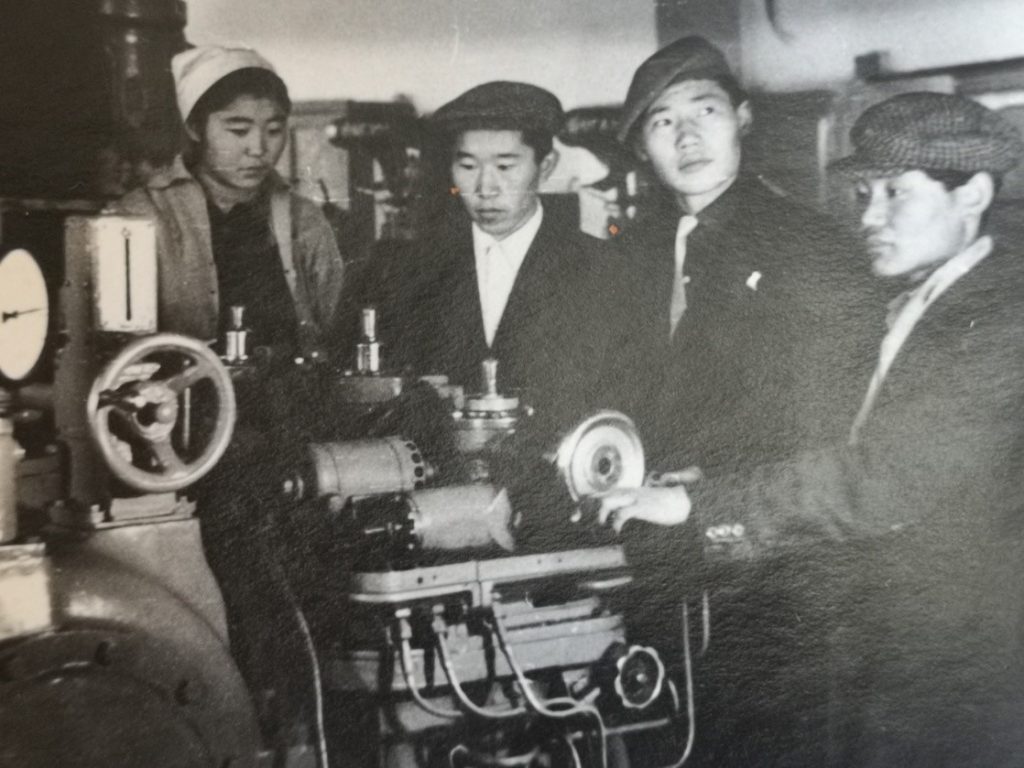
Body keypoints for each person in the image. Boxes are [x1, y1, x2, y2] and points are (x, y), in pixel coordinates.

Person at [598, 91, 1024, 767]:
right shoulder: (915, 300)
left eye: (895, 193)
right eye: (864, 194)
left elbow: (884, 479)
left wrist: (700, 505)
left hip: (964, 665)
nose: (869, 216)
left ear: (971, 193)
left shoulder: (1001, 318)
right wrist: (717, 479)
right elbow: (846, 439)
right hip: (899, 647)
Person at [592, 36, 878, 766]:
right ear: (642, 148)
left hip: (774, 577)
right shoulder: (629, 253)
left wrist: (712, 485)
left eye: (705, 111)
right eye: (662, 122)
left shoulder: (811, 245)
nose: (686, 136)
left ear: (743, 119)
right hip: (656, 567)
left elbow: (830, 418)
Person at [383, 81, 609, 418]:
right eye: (468, 167)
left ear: (546, 167)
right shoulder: (412, 271)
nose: (485, 188)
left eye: (505, 167)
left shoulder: (602, 269)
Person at [118, 45, 345, 364]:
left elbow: (335, 330)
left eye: (274, 130)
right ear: (195, 128)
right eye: (239, 131)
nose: (258, 148)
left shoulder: (304, 219)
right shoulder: (143, 216)